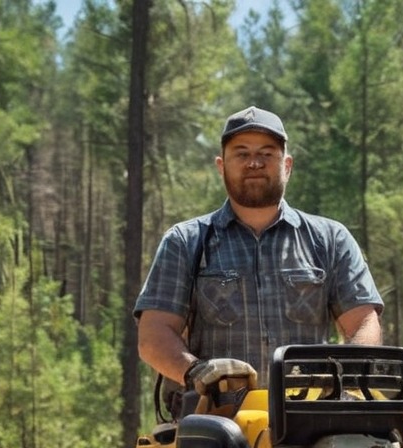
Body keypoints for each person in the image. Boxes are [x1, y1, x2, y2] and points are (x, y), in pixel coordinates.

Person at [134, 106, 384, 404]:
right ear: (221, 166)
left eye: (267, 154)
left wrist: (347, 379)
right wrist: (196, 372)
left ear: (287, 166)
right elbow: (153, 336)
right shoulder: (186, 242)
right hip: (213, 422)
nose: (254, 163)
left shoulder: (330, 239)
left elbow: (364, 323)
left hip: (309, 420)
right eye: (241, 153)